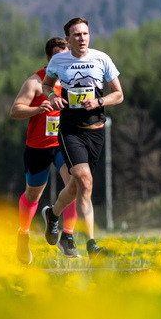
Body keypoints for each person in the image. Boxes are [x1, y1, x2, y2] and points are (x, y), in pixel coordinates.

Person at [39, 17, 123, 258]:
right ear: (68, 39)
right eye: (76, 35)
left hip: (96, 129)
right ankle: (92, 244)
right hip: (70, 130)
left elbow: (119, 94)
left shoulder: (102, 59)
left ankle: (52, 214)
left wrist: (99, 101)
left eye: (85, 34)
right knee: (85, 182)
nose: (82, 38)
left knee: (76, 186)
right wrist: (52, 98)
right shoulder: (58, 60)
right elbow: (47, 86)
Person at [9, 36, 80, 262]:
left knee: (76, 184)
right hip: (38, 147)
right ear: (49, 59)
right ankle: (24, 236)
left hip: (63, 144)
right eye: (58, 57)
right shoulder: (35, 82)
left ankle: (66, 236)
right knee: (33, 195)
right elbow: (15, 111)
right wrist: (38, 109)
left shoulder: (73, 80)